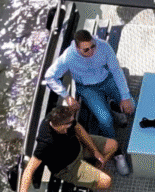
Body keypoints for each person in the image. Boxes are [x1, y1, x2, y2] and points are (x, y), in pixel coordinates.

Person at [45, 29, 134, 175]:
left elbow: (116, 70)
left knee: (132, 106)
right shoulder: (68, 57)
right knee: (105, 120)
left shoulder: (104, 46)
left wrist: (125, 97)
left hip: (107, 79)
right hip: (87, 88)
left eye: (93, 46)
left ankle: (114, 106)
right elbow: (50, 76)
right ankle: (116, 152)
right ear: (77, 47)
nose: (91, 51)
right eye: (86, 49)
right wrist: (66, 96)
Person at [12, 106, 118, 192]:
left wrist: (94, 150)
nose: (72, 124)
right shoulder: (45, 143)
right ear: (60, 125)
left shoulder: (64, 118)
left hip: (78, 148)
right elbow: (29, 170)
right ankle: (83, 180)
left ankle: (94, 169)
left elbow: (78, 128)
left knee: (113, 145)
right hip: (69, 167)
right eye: (69, 124)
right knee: (106, 181)